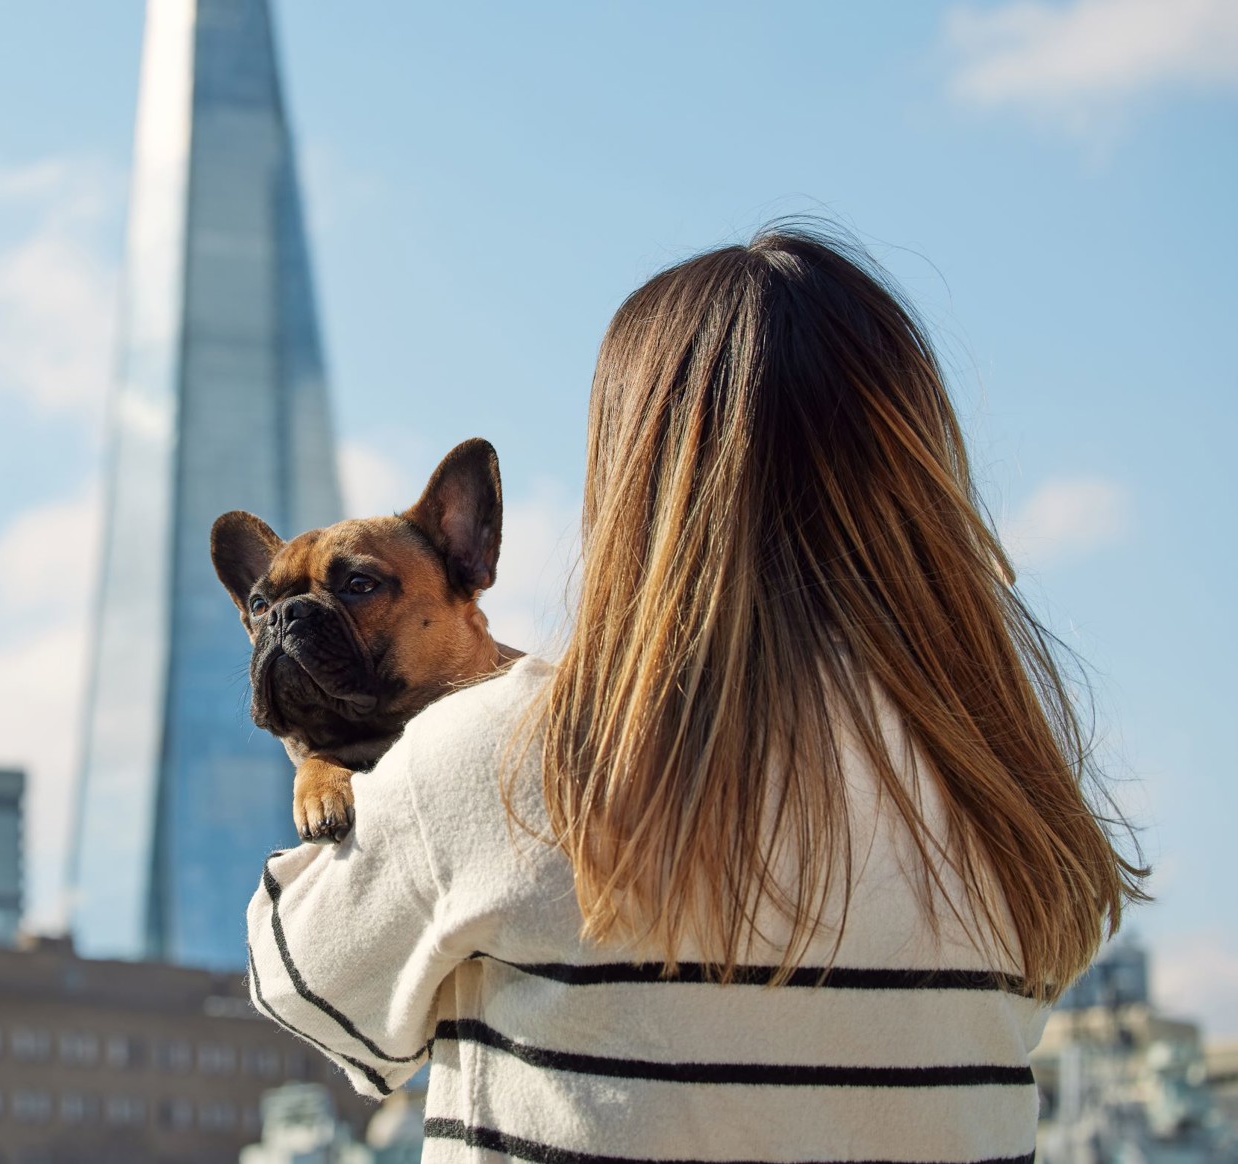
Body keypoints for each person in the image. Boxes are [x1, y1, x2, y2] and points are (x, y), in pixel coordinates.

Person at [245, 226, 1146, 1163]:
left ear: (636, 482)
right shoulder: (1011, 803)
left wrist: (320, 735)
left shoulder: (504, 758)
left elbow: (310, 989)